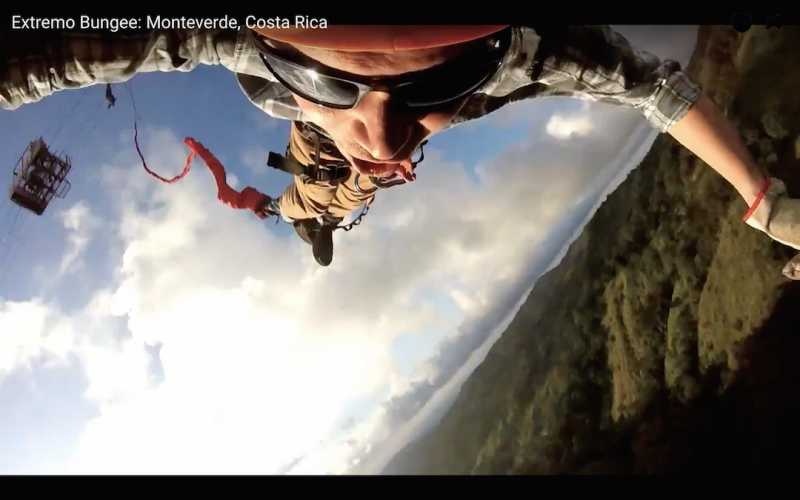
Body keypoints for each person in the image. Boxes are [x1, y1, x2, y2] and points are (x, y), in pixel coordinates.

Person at [2, 25, 798, 276]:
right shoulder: (527, 55)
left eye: (428, 92)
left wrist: (768, 206)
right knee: (308, 197)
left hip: (310, 187)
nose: (381, 131)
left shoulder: (528, 49)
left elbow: (657, 89)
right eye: (334, 81)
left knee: (312, 195)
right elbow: (654, 91)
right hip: (310, 189)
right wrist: (761, 203)